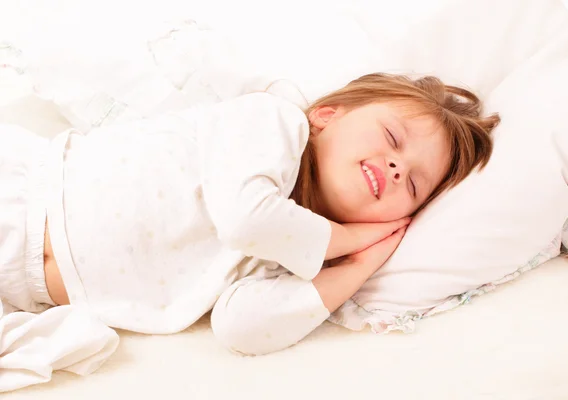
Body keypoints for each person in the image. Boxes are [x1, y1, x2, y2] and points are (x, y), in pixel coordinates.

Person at [0, 73, 498, 383]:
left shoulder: (287, 253)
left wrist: (362, 263)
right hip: (17, 196)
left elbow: (242, 328)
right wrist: (349, 239)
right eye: (392, 138)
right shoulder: (271, 124)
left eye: (412, 184)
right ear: (327, 115)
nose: (395, 168)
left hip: (20, 291)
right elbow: (246, 217)